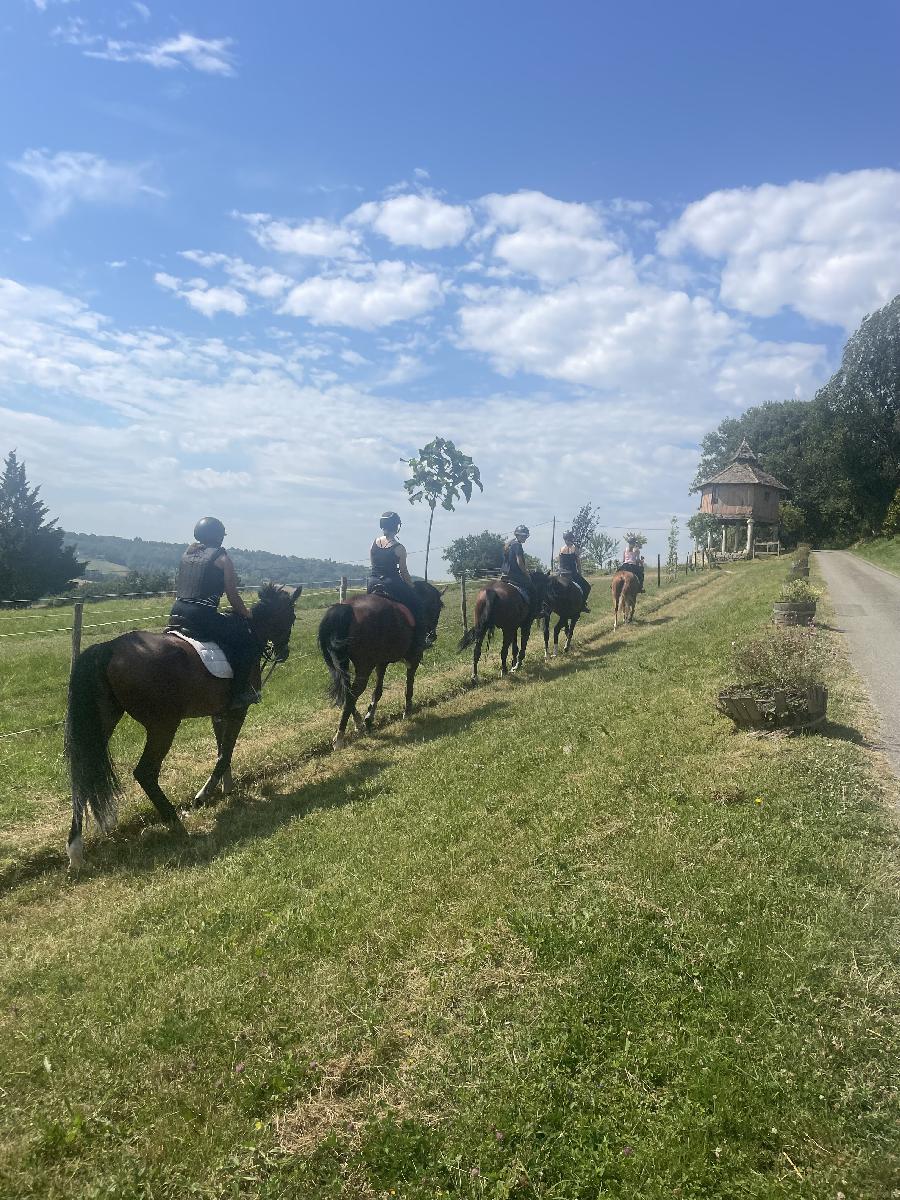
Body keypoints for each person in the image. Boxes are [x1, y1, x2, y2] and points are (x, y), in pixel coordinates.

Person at [168, 517, 261, 708]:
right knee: (248, 643)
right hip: (201, 616)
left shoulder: (188, 554)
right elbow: (233, 596)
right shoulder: (223, 559)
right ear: (219, 537)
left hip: (177, 611)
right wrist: (246, 613)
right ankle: (238, 694)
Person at [367, 511, 432, 655]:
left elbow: (373, 565)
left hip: (372, 582)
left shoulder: (374, 543)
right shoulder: (399, 548)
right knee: (418, 605)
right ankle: (421, 640)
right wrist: (411, 586)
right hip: (391, 583)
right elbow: (403, 572)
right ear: (396, 527)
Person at [557, 530, 591, 611]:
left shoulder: (561, 549)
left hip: (561, 574)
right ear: (571, 538)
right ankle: (582, 605)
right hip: (572, 574)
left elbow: (559, 563)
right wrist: (580, 574)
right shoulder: (575, 549)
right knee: (587, 587)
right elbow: (578, 564)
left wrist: (559, 573)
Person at [502, 525, 532, 593]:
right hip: (515, 574)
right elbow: (519, 562)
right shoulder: (518, 545)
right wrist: (526, 573)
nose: (525, 538)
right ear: (518, 535)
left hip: (505, 573)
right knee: (532, 586)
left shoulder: (509, 545)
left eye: (525, 536)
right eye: (523, 536)